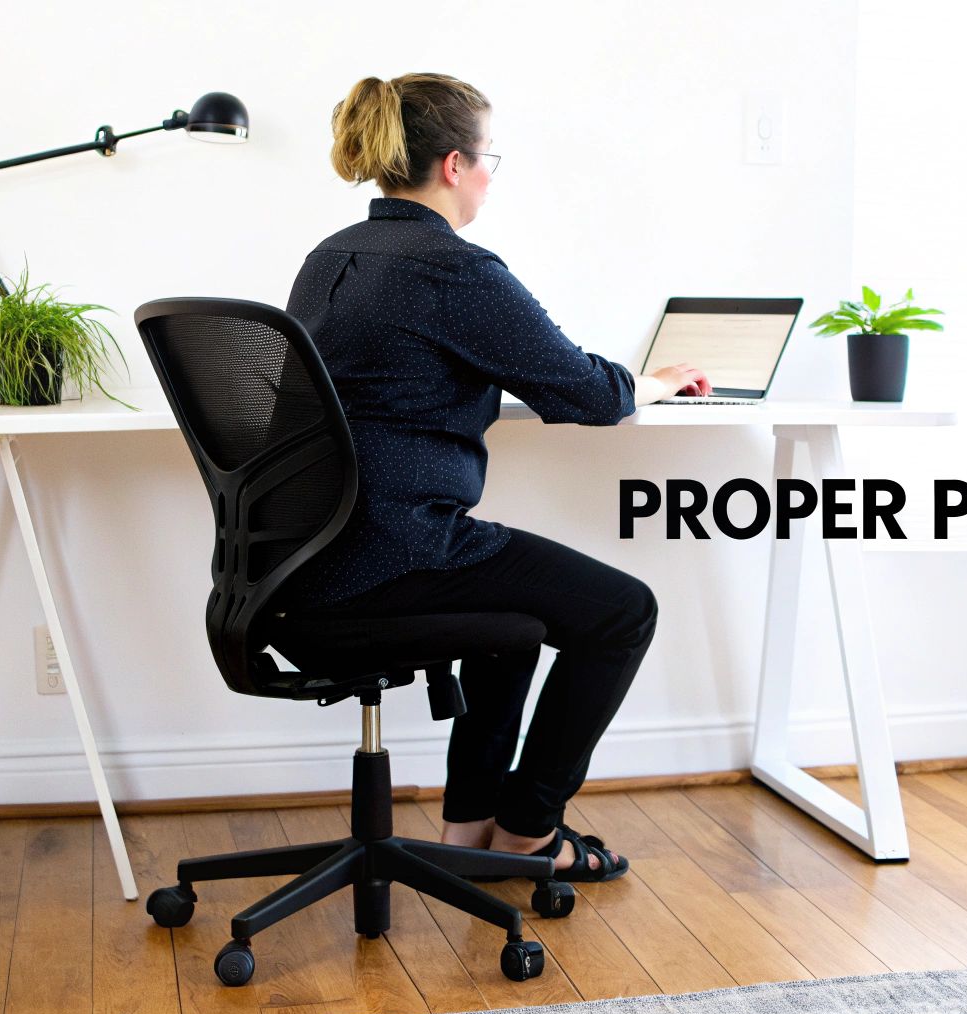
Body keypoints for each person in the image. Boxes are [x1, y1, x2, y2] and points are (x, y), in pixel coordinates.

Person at [273, 73, 710, 883]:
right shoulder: (448, 266)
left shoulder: (331, 256)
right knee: (621, 611)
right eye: (487, 161)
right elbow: (583, 393)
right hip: (394, 552)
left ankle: (468, 830)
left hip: (301, 559)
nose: (487, 179)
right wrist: (649, 380)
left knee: (509, 625)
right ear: (452, 165)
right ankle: (529, 834)